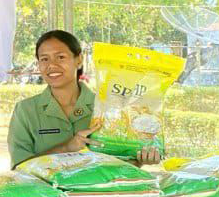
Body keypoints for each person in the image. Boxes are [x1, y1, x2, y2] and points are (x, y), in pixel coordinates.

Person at [8, 29, 161, 167]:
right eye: (44, 59)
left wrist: (139, 160)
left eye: (60, 57)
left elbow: (121, 166)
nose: (52, 65)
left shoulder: (107, 108)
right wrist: (66, 148)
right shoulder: (26, 110)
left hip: (100, 190)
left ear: (79, 60)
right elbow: (19, 167)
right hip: (46, 191)